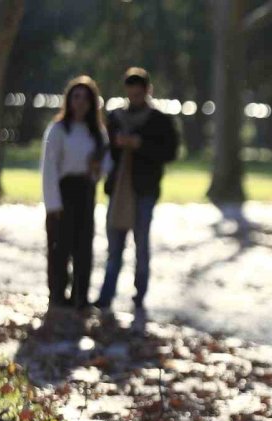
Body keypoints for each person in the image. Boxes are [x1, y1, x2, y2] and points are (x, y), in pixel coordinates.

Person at [94, 67, 179, 328]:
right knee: (114, 245)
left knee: (141, 244)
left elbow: (170, 152)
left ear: (146, 91)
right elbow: (105, 150)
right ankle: (106, 295)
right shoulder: (116, 118)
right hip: (119, 189)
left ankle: (139, 295)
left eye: (139, 91)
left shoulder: (159, 121)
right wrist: (118, 146)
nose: (134, 96)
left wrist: (141, 145)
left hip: (144, 190)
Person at [40, 75, 106, 311]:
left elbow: (105, 163)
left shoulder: (96, 132)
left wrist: (97, 170)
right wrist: (53, 204)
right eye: (76, 97)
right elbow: (48, 168)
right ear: (69, 100)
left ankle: (80, 296)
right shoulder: (58, 130)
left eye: (85, 98)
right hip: (63, 191)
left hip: (85, 191)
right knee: (60, 247)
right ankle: (58, 295)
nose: (80, 102)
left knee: (83, 247)